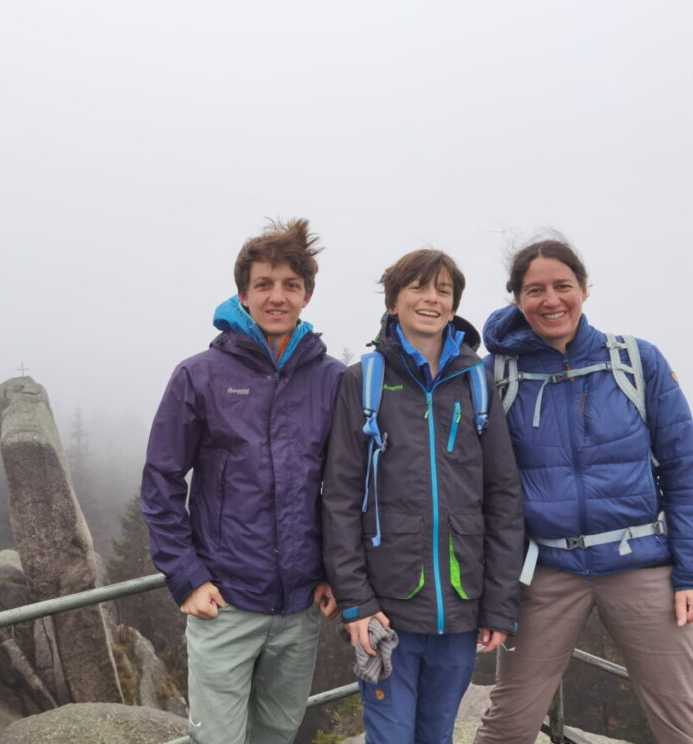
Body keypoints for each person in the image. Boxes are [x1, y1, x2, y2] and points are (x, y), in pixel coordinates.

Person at [474, 238, 693, 744]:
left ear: (584, 290)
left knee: (681, 721)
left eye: (562, 286)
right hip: (547, 569)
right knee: (508, 725)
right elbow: (480, 485)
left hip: (640, 563)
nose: (551, 300)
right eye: (535, 290)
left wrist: (687, 572)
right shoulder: (496, 375)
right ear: (517, 299)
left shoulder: (638, 361)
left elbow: (682, 470)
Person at [140, 218, 344, 744]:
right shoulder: (200, 375)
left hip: (300, 605)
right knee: (218, 739)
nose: (277, 297)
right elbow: (162, 480)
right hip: (224, 602)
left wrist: (335, 573)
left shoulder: (331, 380)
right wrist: (186, 577)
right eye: (264, 285)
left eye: (290, 285)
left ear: (307, 295)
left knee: (277, 734)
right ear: (243, 295)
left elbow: (345, 489)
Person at [322, 249, 524, 744]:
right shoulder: (363, 380)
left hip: (460, 607)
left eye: (443, 291)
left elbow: (503, 496)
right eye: (417, 287)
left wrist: (498, 604)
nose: (431, 299)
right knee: (390, 737)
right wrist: (357, 603)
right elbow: (340, 499)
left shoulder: (477, 381)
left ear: (454, 307)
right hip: (386, 609)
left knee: (438, 735)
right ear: (393, 302)